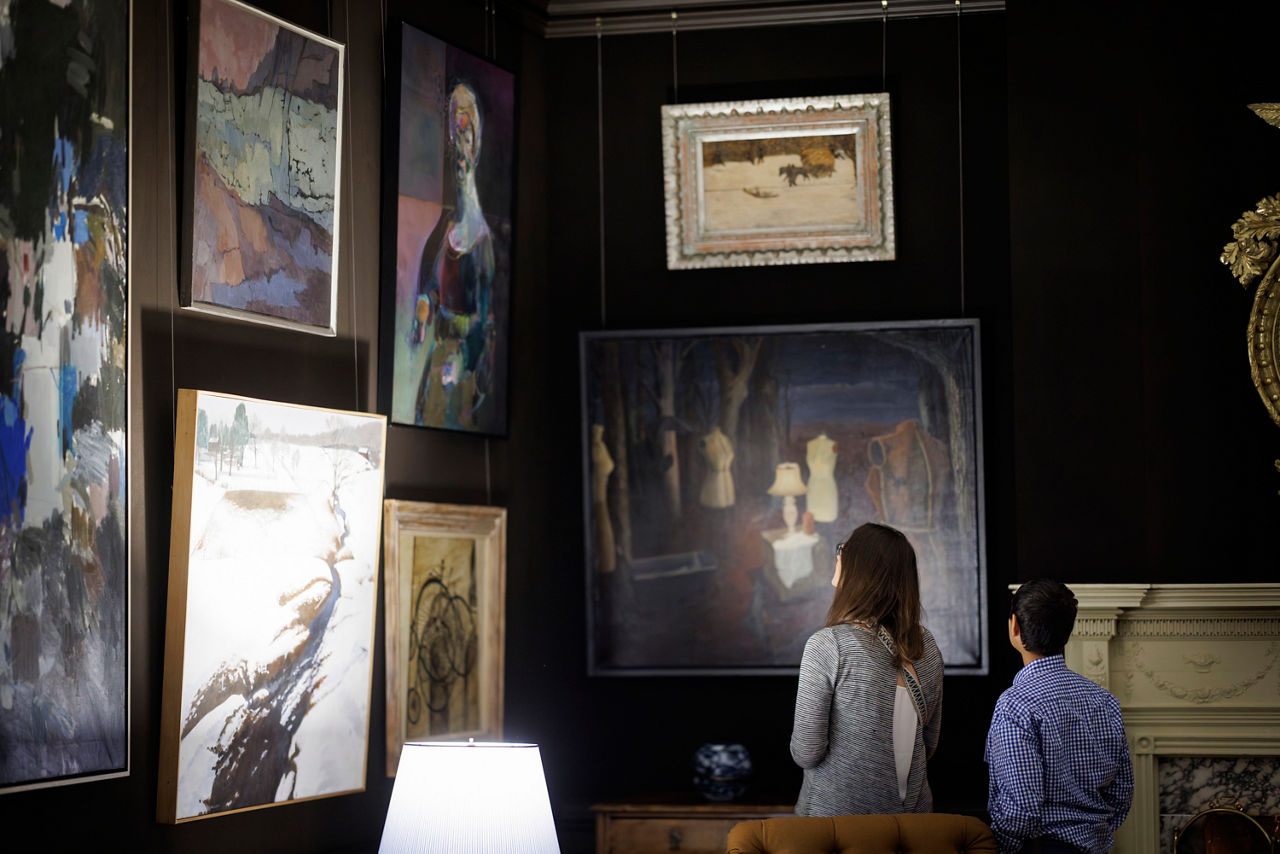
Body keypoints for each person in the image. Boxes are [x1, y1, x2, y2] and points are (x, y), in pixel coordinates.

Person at [790, 522, 944, 815]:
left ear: (860, 568)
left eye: (843, 550)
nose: (839, 555)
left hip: (839, 828)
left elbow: (806, 753)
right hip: (912, 822)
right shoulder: (926, 644)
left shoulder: (828, 644)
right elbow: (929, 744)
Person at [986, 580, 1133, 854]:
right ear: (1068, 630)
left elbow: (1021, 811)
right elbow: (1122, 792)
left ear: (1014, 626)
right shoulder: (1105, 701)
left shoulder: (1015, 704)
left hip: (1041, 848)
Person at [409, 82, 497, 430]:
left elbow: (484, 318)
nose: (459, 154)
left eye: (466, 138)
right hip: (439, 356)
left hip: (463, 371)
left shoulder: (483, 244)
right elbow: (433, 284)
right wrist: (424, 307)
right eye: (455, 141)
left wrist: (463, 361)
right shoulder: (448, 228)